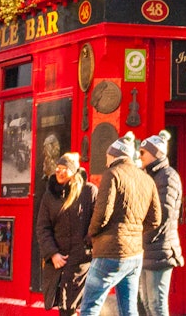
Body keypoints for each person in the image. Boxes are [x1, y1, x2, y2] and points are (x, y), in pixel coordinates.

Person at [78, 133, 160, 316]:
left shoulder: (112, 174)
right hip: (135, 255)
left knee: (90, 307)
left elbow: (102, 215)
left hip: (110, 252)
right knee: (129, 309)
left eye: (107, 156)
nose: (106, 160)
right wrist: (134, 230)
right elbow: (155, 219)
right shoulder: (146, 178)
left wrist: (90, 235)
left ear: (113, 156)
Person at [37, 153, 97, 316]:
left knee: (78, 306)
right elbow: (43, 228)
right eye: (58, 169)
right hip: (58, 262)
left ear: (74, 171)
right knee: (64, 306)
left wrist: (87, 245)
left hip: (82, 262)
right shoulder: (50, 195)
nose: (60, 172)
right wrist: (52, 253)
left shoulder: (88, 191)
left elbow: (98, 222)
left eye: (65, 169)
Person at [138, 133, 183, 316]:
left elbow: (163, 214)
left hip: (160, 248)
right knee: (147, 303)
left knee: (156, 304)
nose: (139, 156)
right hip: (147, 248)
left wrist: (141, 237)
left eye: (142, 152)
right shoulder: (150, 175)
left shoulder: (167, 176)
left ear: (155, 154)